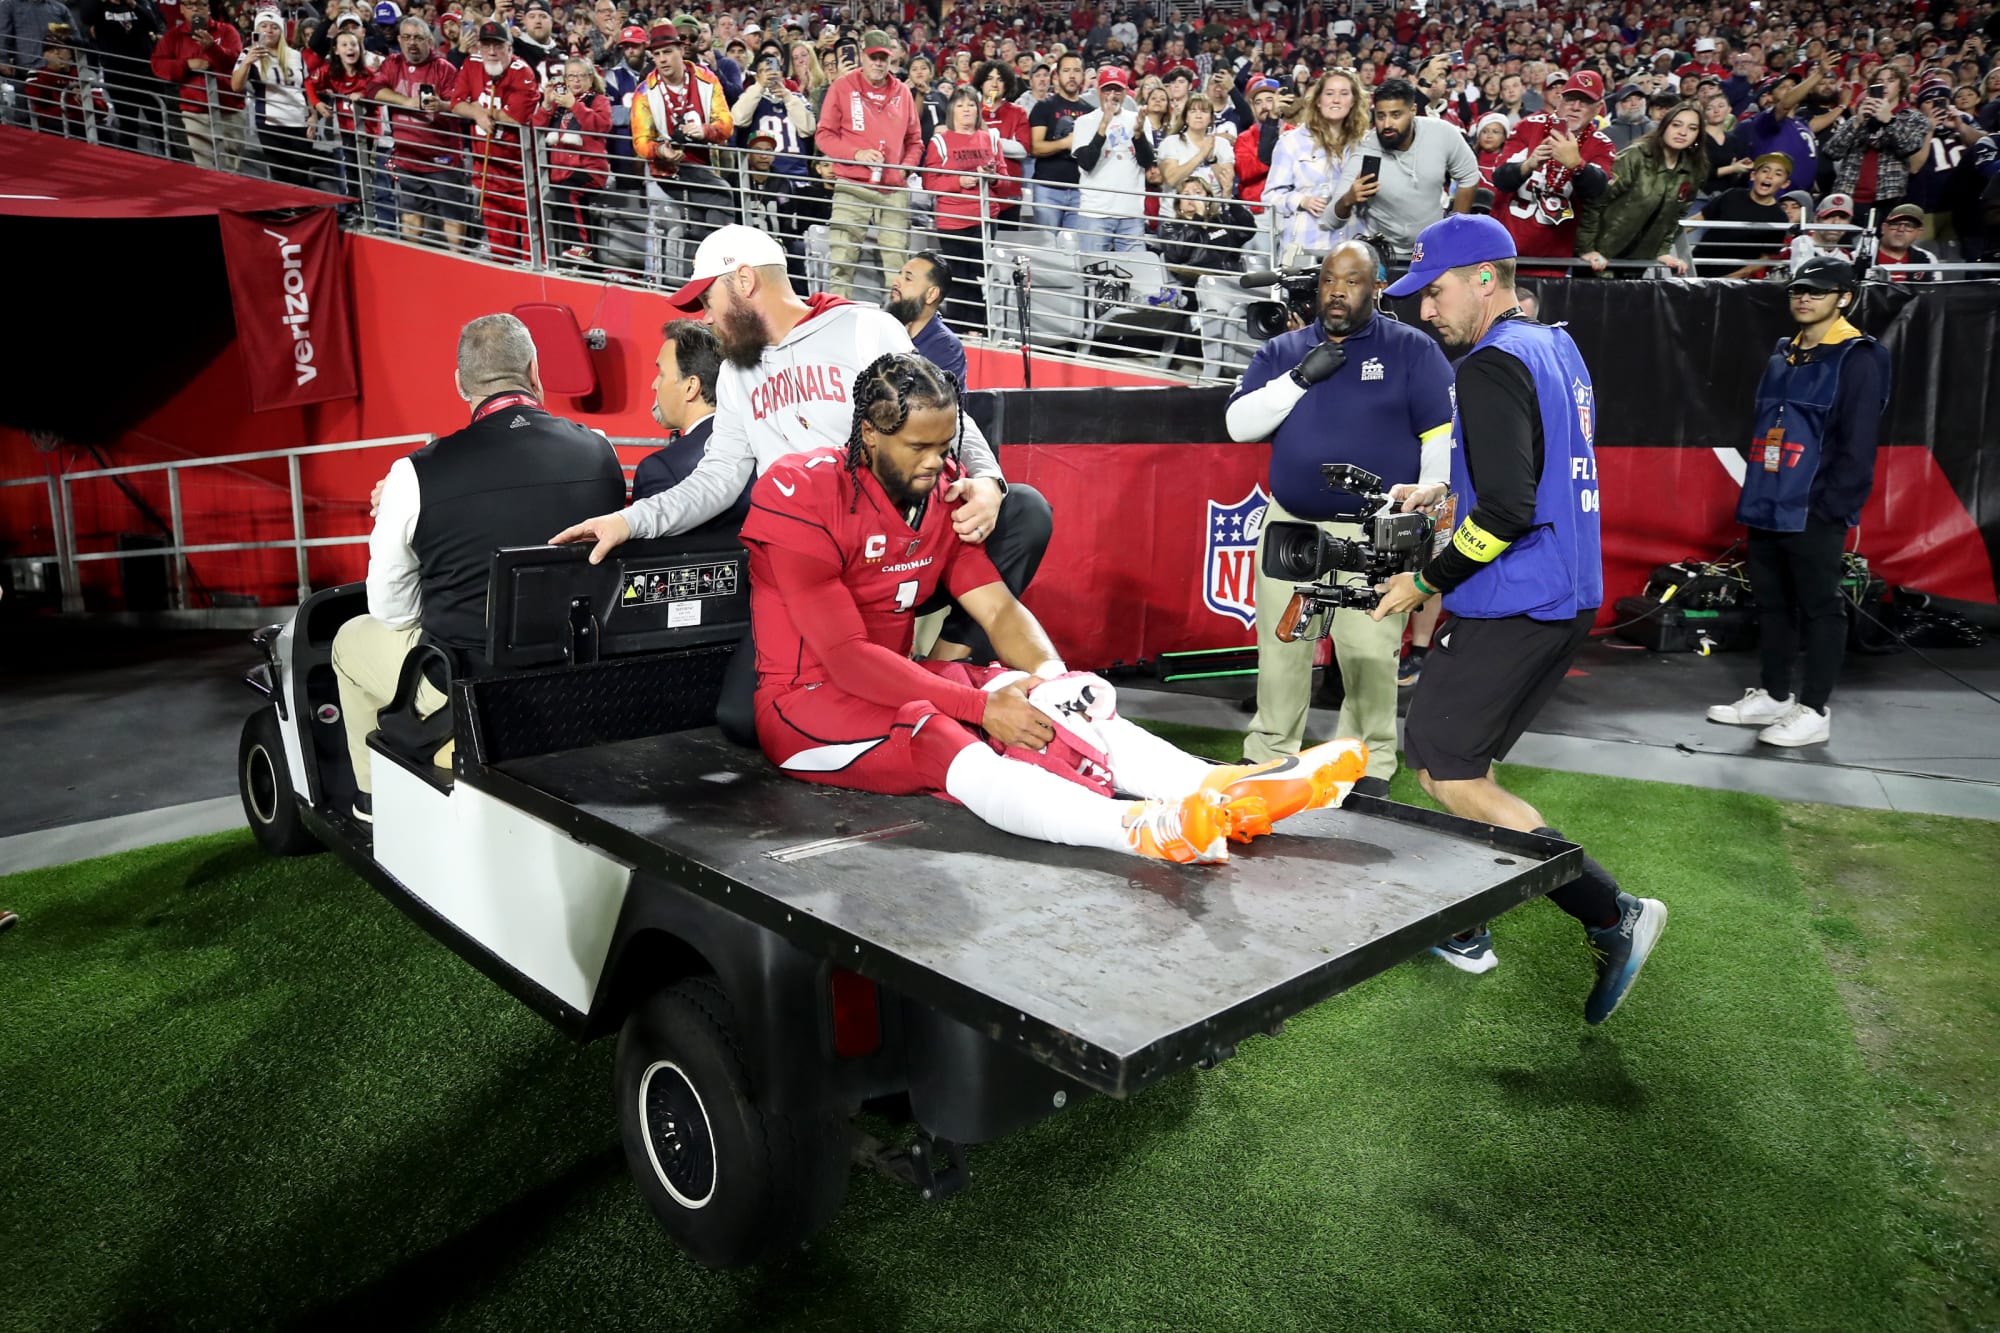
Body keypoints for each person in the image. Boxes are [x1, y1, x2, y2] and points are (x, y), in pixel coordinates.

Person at [741, 351, 1370, 865]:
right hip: (806, 703)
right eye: (918, 447)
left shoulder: (941, 488)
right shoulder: (801, 491)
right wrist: (978, 708)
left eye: (944, 444)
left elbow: (998, 610)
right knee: (937, 731)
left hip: (893, 678)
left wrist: (1053, 679)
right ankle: (1141, 829)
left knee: (1044, 696)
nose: (937, 462)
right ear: (869, 434)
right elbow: (846, 658)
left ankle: (1222, 787)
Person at [1373, 214, 1667, 1017]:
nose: (1425, 311)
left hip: (1515, 597)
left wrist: (1422, 581)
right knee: (1463, 763)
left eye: (1434, 292)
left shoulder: (1489, 364)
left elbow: (1508, 508)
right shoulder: (1553, 344)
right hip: (1564, 592)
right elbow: (1535, 463)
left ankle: (1610, 911)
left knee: (1443, 767)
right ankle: (1474, 918)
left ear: (1483, 278)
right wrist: (1448, 487)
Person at [547, 224, 1052, 676]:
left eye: (708, 300)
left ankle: (948, 663)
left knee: (1024, 509)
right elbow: (716, 479)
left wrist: (989, 481)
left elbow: (946, 414)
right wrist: (628, 521)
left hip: (901, 545)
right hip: (819, 568)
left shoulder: (864, 327)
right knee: (745, 720)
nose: (707, 318)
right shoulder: (735, 372)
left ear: (745, 281)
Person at [336, 314, 626, 821]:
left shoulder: (412, 474)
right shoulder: (601, 450)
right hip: (578, 674)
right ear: (534, 372)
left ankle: (372, 800)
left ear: (460, 384)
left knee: (349, 640)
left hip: (468, 686)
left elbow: (392, 611)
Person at [1226, 239, 1454, 798]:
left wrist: (1429, 497)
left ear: (1377, 288)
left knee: (1368, 651)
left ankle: (1366, 759)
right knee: (1283, 645)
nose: (1337, 292)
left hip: (1375, 529)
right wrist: (1299, 378)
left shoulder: (1412, 350)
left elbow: (1439, 434)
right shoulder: (1283, 351)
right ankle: (1269, 752)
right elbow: (1238, 425)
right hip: (1292, 524)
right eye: (1330, 279)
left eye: (1352, 282)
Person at [1707, 257, 1888, 749]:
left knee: (1820, 608)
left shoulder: (1858, 357)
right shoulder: (1783, 353)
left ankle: (1814, 709)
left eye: (1818, 291)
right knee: (1771, 603)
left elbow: (1858, 443)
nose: (1804, 298)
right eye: (1798, 290)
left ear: (1845, 298)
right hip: (1766, 500)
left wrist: (1832, 506)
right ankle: (1775, 695)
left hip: (1814, 507)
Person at [813, 35, 922, 299]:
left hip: (893, 189)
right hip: (852, 185)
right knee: (842, 261)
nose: (878, 63)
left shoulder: (902, 92)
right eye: (873, 57)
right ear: (863, 56)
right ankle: (837, 314)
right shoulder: (842, 86)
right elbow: (823, 135)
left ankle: (896, 318)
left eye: (883, 57)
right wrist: (856, 154)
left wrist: (904, 169)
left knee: (897, 265)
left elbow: (915, 141)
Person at [631, 21, 734, 281]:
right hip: (667, 169)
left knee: (699, 219)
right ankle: (717, 269)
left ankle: (698, 276)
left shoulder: (706, 79)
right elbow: (640, 141)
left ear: (681, 49)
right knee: (721, 195)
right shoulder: (644, 92)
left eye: (668, 52)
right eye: (657, 54)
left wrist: (705, 130)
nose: (662, 59)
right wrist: (661, 150)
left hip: (707, 165)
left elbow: (726, 124)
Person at [1335, 77, 1479, 261]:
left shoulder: (1442, 132)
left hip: (1432, 245)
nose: (1387, 124)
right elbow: (1338, 211)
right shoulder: (1366, 147)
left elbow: (1469, 175)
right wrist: (1348, 199)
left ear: (1413, 110)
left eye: (1396, 115)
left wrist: (1454, 229)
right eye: (1381, 116)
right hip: (1381, 248)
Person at [1491, 69, 1617, 269]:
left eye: (1585, 101)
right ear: (1560, 100)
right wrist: (1528, 165)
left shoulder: (1601, 144)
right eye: (1570, 99)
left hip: (1555, 259)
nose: (1575, 107)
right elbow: (1500, 179)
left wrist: (1576, 165)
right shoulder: (1528, 126)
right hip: (1502, 252)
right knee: (1489, 289)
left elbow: (1596, 189)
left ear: (1598, 108)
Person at [630, 319, 748, 530]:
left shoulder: (660, 469)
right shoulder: (762, 447)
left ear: (691, 386)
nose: (654, 385)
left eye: (661, 374)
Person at [367, 15, 468, 250]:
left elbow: (460, 104)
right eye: (407, 37)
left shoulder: (444, 68)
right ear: (399, 40)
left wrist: (441, 105)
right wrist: (405, 101)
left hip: (442, 158)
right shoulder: (392, 63)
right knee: (410, 214)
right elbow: (372, 89)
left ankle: (457, 258)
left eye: (418, 38)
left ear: (429, 41)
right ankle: (411, 258)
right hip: (407, 156)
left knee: (452, 215)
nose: (412, 42)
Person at [1576, 101, 1705, 275]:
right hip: (1600, 256)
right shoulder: (1635, 156)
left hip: (1638, 263)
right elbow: (1595, 201)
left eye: (1692, 128)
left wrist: (1662, 251)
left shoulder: (1693, 170)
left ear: (1698, 135)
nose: (1683, 132)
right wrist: (1586, 249)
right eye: (1676, 125)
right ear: (1664, 126)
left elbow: (1675, 217)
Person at [452, 19, 538, 263]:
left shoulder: (522, 71)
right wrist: (476, 113)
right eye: (486, 45)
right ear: (479, 47)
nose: (492, 52)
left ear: (510, 48)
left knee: (534, 248)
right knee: (501, 250)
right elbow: (456, 103)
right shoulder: (471, 64)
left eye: (498, 46)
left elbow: (516, 116)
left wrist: (482, 110)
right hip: (488, 173)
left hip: (520, 174)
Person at [922, 85, 1003, 335]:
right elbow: (929, 182)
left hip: (985, 217)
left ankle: (978, 330)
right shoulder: (940, 141)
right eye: (960, 105)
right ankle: (958, 330)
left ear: (978, 109)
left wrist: (992, 176)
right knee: (957, 277)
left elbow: (1005, 180)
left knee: (980, 276)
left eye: (971, 105)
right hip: (953, 219)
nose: (966, 110)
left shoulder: (990, 138)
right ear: (951, 111)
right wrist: (959, 181)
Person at [1823, 67, 1931, 228]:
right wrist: (1857, 122)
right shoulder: (1858, 118)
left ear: (1901, 86)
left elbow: (1909, 147)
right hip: (1847, 197)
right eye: (1879, 81)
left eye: (1891, 80)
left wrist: (1889, 121)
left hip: (1886, 200)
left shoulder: (1914, 118)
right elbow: (1831, 152)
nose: (1884, 85)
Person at [535, 54, 612, 264]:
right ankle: (584, 262)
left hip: (589, 169)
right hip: (561, 171)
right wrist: (547, 105)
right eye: (571, 76)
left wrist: (574, 105)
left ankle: (581, 249)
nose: (576, 80)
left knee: (566, 193)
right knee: (569, 202)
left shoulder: (599, 100)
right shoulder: (558, 104)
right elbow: (536, 127)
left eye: (581, 76)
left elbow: (602, 125)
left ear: (590, 78)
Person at [151, 0, 245, 169]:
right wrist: (186, 64)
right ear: (182, 9)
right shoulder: (173, 36)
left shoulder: (227, 31)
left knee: (232, 167)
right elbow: (158, 65)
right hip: (195, 110)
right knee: (204, 166)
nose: (195, 8)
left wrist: (212, 48)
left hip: (228, 108)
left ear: (209, 8)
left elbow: (238, 61)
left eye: (201, 4)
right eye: (189, 4)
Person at [1072, 65, 1154, 253]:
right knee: (1094, 269)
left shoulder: (1138, 119)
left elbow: (1146, 162)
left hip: (1131, 213)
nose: (1112, 95)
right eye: (1107, 90)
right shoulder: (1085, 122)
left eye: (1117, 90)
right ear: (1099, 92)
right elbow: (1086, 163)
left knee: (1134, 269)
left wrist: (1139, 135)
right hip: (1095, 213)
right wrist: (1103, 125)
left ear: (1125, 93)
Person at [1693, 151, 1791, 277]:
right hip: (1695, 265)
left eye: (1778, 174)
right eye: (1765, 171)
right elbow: (1697, 220)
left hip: (1730, 281)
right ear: (1753, 175)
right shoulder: (1732, 195)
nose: (1769, 176)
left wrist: (1731, 278)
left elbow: (1764, 258)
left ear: (1785, 184)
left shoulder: (1779, 218)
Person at [1027, 51, 1091, 233]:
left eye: (1076, 70)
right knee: (1046, 244)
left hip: (1080, 190)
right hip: (1048, 188)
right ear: (1057, 75)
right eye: (1066, 70)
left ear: (1083, 75)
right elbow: (1035, 147)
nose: (1071, 76)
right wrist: (1066, 143)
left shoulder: (1091, 111)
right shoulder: (1044, 107)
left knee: (1073, 247)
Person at [887, 250, 967, 387]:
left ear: (931, 294)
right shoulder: (881, 328)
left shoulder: (946, 349)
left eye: (908, 279)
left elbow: (940, 399)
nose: (895, 282)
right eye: (899, 274)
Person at [1233, 76, 1288, 209]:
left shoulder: (1294, 133)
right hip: (1257, 208)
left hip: (1289, 207)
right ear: (1253, 107)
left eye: (1270, 100)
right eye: (1258, 102)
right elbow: (1245, 172)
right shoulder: (1244, 138)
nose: (1264, 106)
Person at [1867, 202, 1941, 280]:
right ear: (1883, 228)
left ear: (1918, 233)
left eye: (1909, 226)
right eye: (1896, 224)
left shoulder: (1928, 259)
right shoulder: (1863, 255)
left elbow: (1937, 287)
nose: (1901, 229)